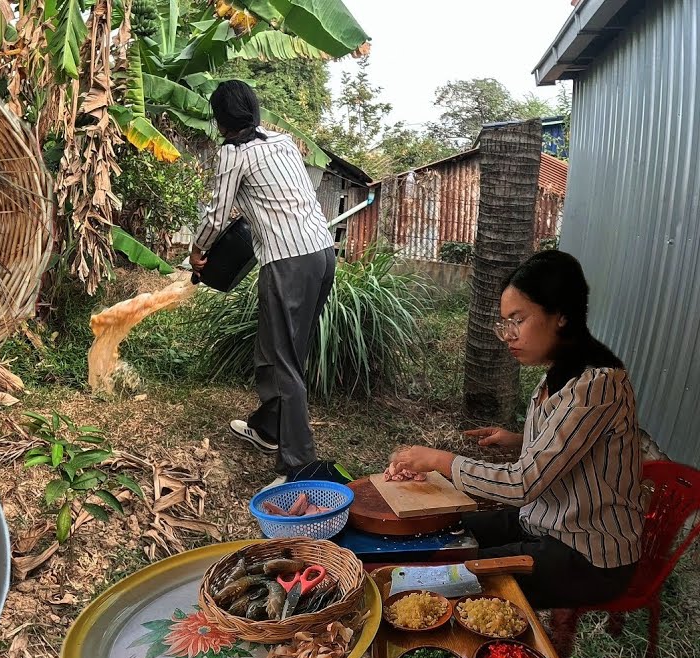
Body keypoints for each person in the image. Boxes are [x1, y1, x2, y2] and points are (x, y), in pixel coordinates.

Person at [388, 250, 644, 609]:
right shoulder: (559, 373)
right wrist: (520, 440)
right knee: (446, 532)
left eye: (518, 320)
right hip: (541, 522)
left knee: (451, 578)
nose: (507, 335)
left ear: (561, 315)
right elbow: (570, 443)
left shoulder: (597, 384)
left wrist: (440, 460)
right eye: (504, 323)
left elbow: (522, 484)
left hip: (587, 553)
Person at [189, 80, 337, 483]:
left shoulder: (233, 154)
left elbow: (218, 215)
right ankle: (269, 429)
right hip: (322, 254)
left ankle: (298, 464)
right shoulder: (283, 142)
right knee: (280, 349)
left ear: (220, 121)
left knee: (282, 359)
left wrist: (197, 250)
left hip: (287, 261)